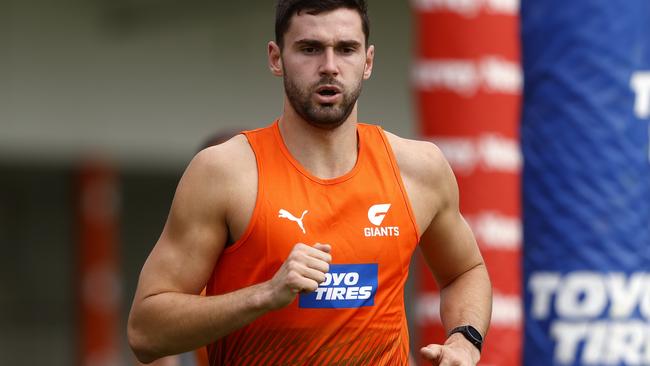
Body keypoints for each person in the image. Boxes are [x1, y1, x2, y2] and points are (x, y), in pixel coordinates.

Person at [127, 1, 492, 365]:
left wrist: (465, 338)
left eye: (346, 49)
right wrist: (266, 294)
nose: (329, 67)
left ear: (367, 62)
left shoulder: (418, 169)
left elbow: (466, 271)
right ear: (276, 58)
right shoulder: (225, 173)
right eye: (310, 48)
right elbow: (145, 333)